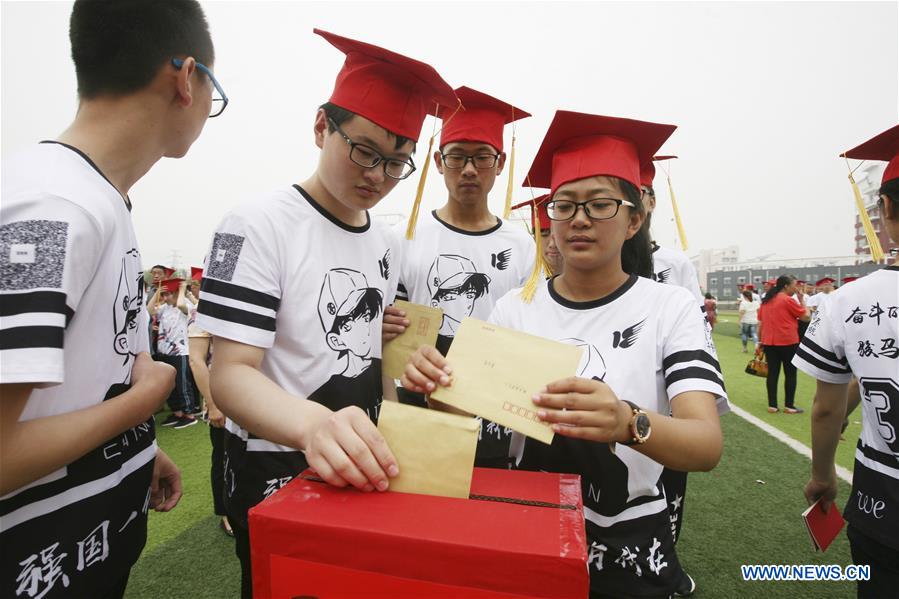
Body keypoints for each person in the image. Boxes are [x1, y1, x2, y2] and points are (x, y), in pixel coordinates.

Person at [403, 110, 728, 599]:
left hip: (628, 541)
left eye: (600, 205)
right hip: (528, 526)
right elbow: (468, 414)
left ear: (634, 218)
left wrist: (627, 422)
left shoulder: (668, 306)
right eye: (564, 205)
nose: (578, 219)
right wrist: (435, 387)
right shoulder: (515, 309)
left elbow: (706, 444)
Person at [196, 29, 456, 598]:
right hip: (277, 464)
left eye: (397, 163)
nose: (377, 177)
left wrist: (405, 381)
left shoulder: (387, 245)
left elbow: (374, 357)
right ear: (321, 126)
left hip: (362, 459)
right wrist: (314, 425)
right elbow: (231, 372)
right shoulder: (258, 224)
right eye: (363, 151)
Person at [0, 1, 220, 597]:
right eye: (212, 90)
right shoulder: (51, 208)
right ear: (185, 77)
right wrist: (143, 400)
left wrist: (136, 449)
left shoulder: (98, 199)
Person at [393, 86, 535, 466]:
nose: (469, 169)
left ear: (501, 162)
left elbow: (528, 334)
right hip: (418, 398)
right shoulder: (408, 238)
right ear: (438, 162)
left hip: (494, 407)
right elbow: (394, 334)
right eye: (457, 157)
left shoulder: (523, 247)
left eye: (481, 157)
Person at [796, 123, 899, 598]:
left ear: (885, 212)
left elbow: (825, 406)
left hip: (884, 498)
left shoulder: (847, 301)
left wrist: (822, 475)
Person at [148, 278, 199, 428]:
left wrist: (182, 289)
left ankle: (189, 414)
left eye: (168, 294)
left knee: (182, 384)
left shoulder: (186, 306)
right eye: (164, 295)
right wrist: (158, 292)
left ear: (176, 293)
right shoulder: (165, 308)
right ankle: (177, 412)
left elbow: (181, 304)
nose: (165, 298)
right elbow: (149, 311)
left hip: (180, 352)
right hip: (164, 352)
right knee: (169, 385)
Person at [757, 275, 810, 413]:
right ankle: (789, 405)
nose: (796, 288)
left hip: (769, 341)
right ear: (786, 286)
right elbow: (806, 317)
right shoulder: (787, 300)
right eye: (794, 285)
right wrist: (802, 300)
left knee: (773, 373)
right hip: (788, 341)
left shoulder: (766, 301)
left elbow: (760, 324)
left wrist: (760, 341)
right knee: (791, 373)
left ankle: (772, 405)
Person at [512, 194, 563, 275]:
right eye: (544, 234)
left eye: (559, 234)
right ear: (535, 238)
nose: (553, 244)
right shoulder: (522, 281)